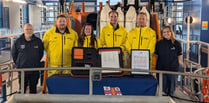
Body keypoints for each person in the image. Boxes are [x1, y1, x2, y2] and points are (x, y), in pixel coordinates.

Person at [11, 24, 44, 93]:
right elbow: (14, 54)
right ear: (23, 30)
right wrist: (19, 64)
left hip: (34, 69)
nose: (29, 31)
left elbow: (40, 53)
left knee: (33, 89)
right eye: (27, 29)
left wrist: (35, 62)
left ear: (33, 31)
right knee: (22, 90)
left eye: (30, 29)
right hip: (23, 70)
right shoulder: (18, 41)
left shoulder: (38, 41)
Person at [154, 26, 182, 96]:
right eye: (164, 32)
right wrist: (155, 70)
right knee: (162, 91)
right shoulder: (159, 44)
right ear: (162, 33)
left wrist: (175, 65)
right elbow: (156, 56)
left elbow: (179, 56)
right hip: (161, 70)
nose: (166, 33)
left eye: (168, 31)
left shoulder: (177, 43)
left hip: (172, 70)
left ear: (171, 32)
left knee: (171, 91)